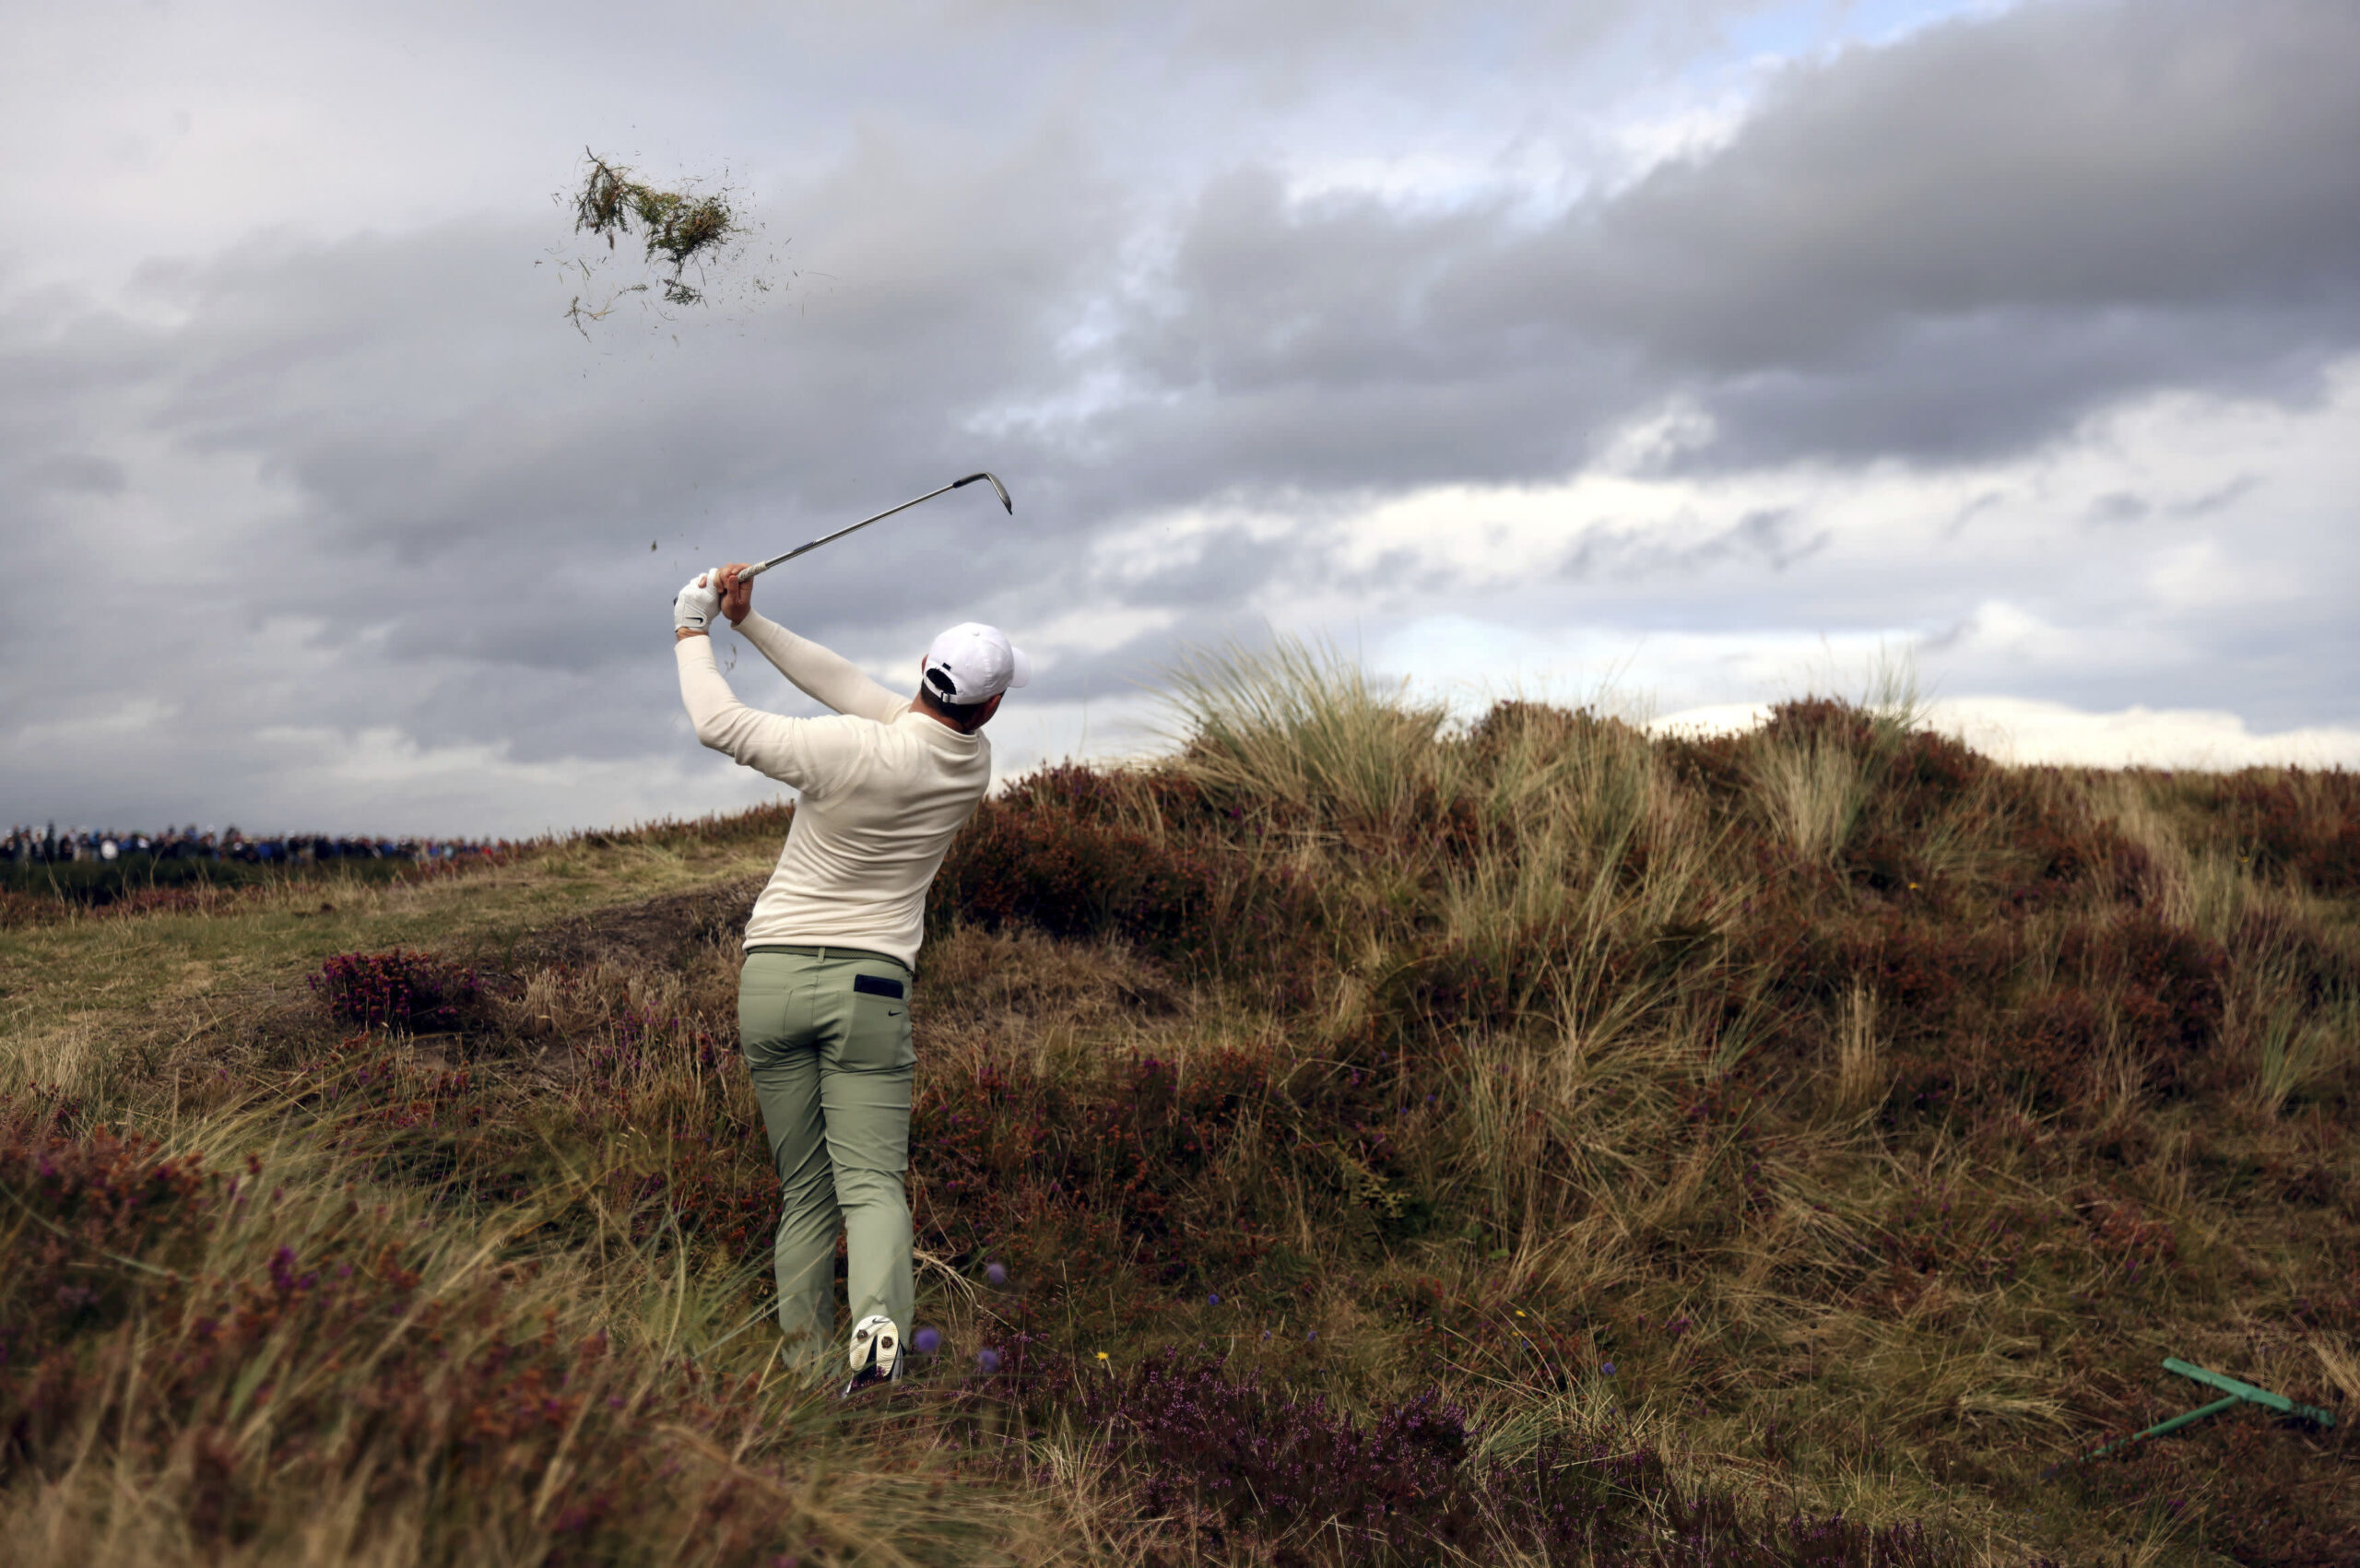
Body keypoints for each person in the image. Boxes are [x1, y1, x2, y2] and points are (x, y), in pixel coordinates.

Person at [671, 561, 1028, 1391]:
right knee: (869, 1182)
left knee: (804, 1190)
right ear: (992, 706)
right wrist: (750, 623)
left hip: (774, 980)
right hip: (872, 988)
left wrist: (694, 629)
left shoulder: (843, 749)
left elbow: (718, 725)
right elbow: (851, 686)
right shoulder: (969, 765)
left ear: (923, 676)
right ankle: (878, 1324)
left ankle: (805, 1369)